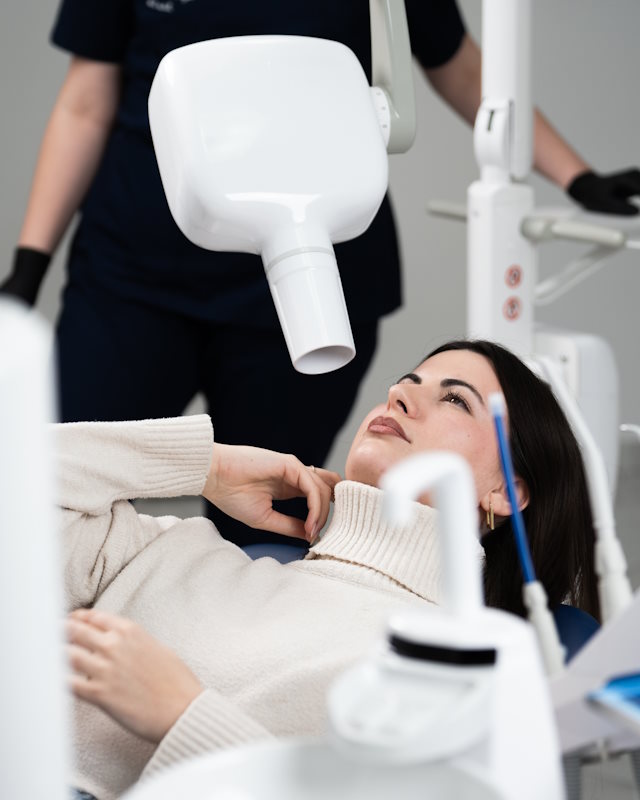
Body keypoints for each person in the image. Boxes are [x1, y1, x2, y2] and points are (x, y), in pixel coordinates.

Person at [2, 2, 639, 551]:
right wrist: (28, 267)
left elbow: (463, 68)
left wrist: (575, 175)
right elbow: (85, 103)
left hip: (313, 278)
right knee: (54, 487)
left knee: (270, 521)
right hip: (135, 273)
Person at [54, 339, 598, 800]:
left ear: (506, 492)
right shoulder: (180, 552)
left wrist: (182, 716)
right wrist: (206, 466)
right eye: (406, 384)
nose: (399, 395)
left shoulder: (443, 677)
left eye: (455, 399)